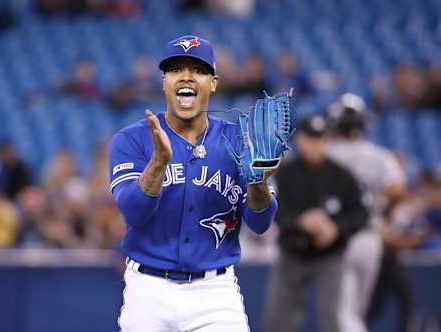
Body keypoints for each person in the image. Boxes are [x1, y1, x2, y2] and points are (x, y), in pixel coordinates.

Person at [108, 35, 278, 332]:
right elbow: (134, 213)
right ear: (164, 81)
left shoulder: (240, 139)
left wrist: (258, 182)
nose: (186, 77)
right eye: (175, 69)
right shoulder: (131, 140)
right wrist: (158, 162)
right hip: (149, 289)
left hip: (214, 292)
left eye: (198, 70)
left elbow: (260, 223)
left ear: (213, 82)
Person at [326, 93, 421, 332]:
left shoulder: (326, 156)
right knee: (357, 309)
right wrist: (384, 213)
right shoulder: (379, 156)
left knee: (345, 312)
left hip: (339, 237)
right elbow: (398, 191)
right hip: (372, 236)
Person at [264, 114, 367, 332]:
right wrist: (299, 221)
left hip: (329, 255)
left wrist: (336, 227)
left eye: (320, 138)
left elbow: (360, 214)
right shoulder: (285, 173)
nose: (315, 144)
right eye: (310, 138)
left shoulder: (342, 175)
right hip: (292, 252)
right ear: (300, 139)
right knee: (279, 319)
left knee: (332, 318)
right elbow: (271, 210)